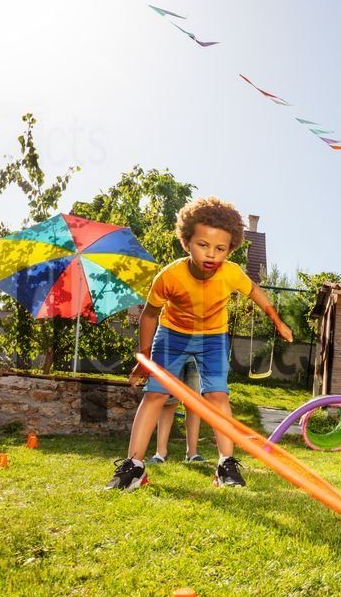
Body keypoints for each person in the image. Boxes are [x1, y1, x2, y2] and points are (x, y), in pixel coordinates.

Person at [105, 196, 293, 491]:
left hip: (213, 338)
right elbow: (149, 314)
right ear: (186, 241)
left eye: (220, 248)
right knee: (155, 395)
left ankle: (225, 464)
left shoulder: (231, 272)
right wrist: (144, 357)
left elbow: (255, 291)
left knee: (218, 395)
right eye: (203, 245)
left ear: (229, 249)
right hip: (172, 335)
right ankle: (134, 466)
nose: (211, 255)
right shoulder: (169, 276)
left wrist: (277, 320)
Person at [146, 358, 205, 464]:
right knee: (169, 403)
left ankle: (192, 454)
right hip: (174, 356)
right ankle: (160, 454)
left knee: (193, 405)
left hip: (197, 357)